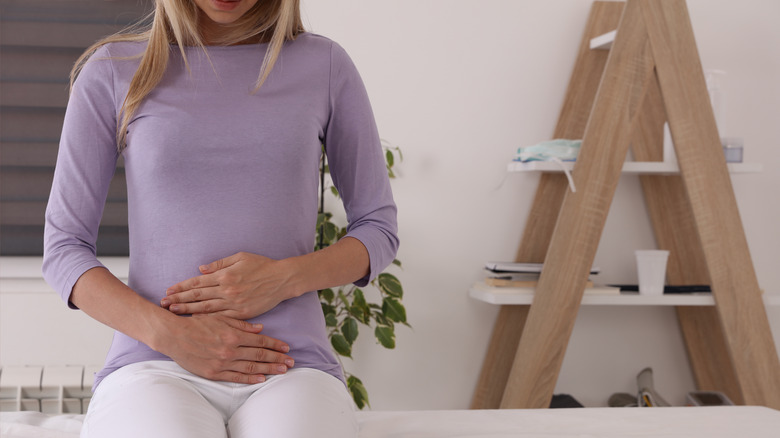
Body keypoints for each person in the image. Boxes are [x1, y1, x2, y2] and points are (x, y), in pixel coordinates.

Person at [42, 0, 399, 436]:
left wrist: (284, 278)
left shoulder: (324, 65)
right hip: (155, 364)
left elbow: (378, 227)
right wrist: (173, 335)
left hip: (292, 363)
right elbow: (64, 248)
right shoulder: (113, 70)